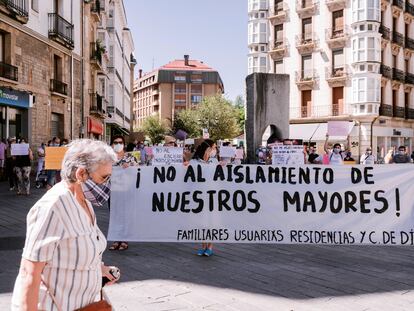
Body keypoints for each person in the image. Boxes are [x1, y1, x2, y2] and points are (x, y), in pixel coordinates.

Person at [11, 139, 120, 310]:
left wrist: (99, 269)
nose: (107, 184)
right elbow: (28, 273)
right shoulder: (52, 208)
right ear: (81, 174)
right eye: (104, 177)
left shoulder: (85, 203)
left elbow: (74, 252)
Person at [108, 135, 138, 251]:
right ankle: (116, 239)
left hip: (127, 190)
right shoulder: (108, 159)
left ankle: (124, 240)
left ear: (124, 144)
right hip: (113, 191)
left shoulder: (130, 157)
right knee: (115, 215)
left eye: (120, 142)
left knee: (125, 215)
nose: (118, 144)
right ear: (112, 145)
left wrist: (129, 167)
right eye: (115, 142)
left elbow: (138, 172)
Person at [189, 139, 218, 257]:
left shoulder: (214, 161)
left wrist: (224, 166)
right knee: (201, 222)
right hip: (198, 196)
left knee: (211, 221)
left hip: (212, 195)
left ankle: (210, 246)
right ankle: (203, 245)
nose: (215, 150)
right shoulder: (194, 162)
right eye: (214, 147)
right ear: (208, 149)